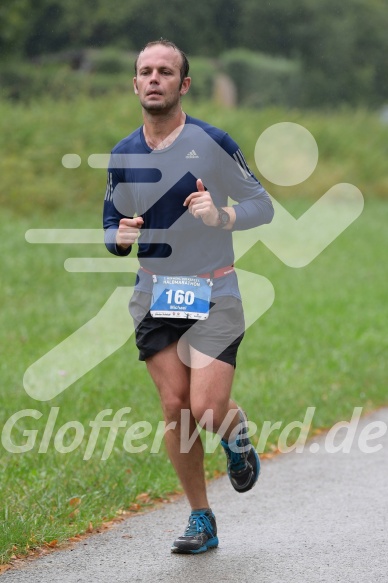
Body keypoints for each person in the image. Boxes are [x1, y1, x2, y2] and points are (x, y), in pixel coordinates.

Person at [103, 39, 274, 554]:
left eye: (165, 72)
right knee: (176, 406)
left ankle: (237, 439)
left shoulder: (212, 141)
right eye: (145, 71)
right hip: (154, 289)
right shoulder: (123, 154)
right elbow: (111, 224)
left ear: (184, 84)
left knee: (206, 406)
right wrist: (119, 238)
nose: (154, 79)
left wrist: (220, 215)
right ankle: (202, 518)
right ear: (135, 83)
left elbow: (261, 206)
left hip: (213, 288)